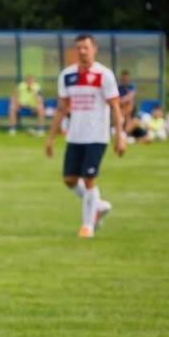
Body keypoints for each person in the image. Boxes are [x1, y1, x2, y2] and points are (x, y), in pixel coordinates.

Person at [45, 34, 125, 237]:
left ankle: (87, 226)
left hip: (97, 136)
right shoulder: (67, 75)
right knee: (70, 180)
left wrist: (120, 136)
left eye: (86, 47)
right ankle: (97, 205)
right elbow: (62, 108)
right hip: (75, 135)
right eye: (79, 48)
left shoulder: (104, 75)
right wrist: (51, 138)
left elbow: (115, 107)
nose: (82, 51)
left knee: (89, 179)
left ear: (94, 49)